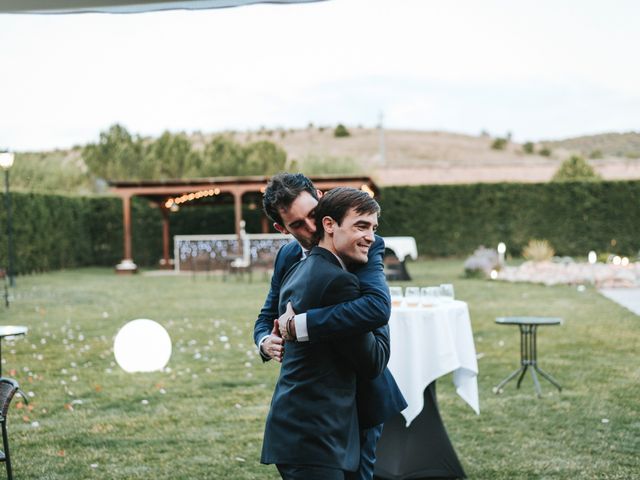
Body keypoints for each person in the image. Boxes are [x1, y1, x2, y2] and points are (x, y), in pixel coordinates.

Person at [253, 174, 406, 480]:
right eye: (297, 225)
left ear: (321, 199)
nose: (310, 228)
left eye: (312, 215)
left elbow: (376, 308)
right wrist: (264, 341)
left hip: (362, 393)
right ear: (282, 229)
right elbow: (269, 313)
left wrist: (302, 325)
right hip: (318, 404)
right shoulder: (288, 256)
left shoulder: (364, 243)